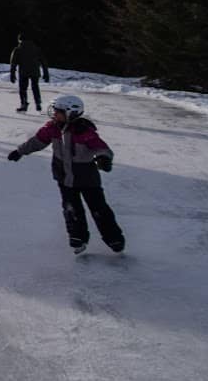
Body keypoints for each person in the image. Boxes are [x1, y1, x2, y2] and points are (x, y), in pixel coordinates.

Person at [7, 94, 125, 255]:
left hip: (87, 178)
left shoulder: (84, 131)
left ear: (71, 113)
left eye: (58, 112)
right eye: (54, 111)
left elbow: (101, 147)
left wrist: (104, 159)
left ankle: (114, 238)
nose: (54, 114)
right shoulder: (52, 128)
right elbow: (37, 141)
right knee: (71, 209)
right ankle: (78, 237)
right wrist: (20, 151)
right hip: (64, 178)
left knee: (99, 209)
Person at [9, 34, 51, 112]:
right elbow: (43, 62)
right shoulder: (37, 49)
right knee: (35, 87)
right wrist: (46, 73)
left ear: (20, 40)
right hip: (35, 71)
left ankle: (24, 104)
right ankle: (38, 103)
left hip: (23, 72)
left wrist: (12, 74)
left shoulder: (18, 49)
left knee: (23, 89)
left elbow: (13, 63)